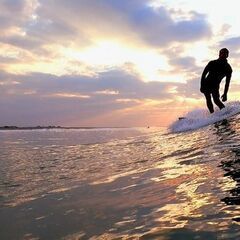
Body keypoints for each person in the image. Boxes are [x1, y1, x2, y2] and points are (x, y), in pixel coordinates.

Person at [200, 48, 232, 113]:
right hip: (206, 84)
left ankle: (226, 113)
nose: (223, 54)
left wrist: (225, 93)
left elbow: (227, 83)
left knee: (216, 100)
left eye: (225, 53)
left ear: (227, 55)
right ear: (219, 54)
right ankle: (212, 115)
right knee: (208, 99)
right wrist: (201, 85)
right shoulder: (212, 63)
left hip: (215, 86)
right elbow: (203, 74)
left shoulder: (228, 68)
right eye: (222, 53)